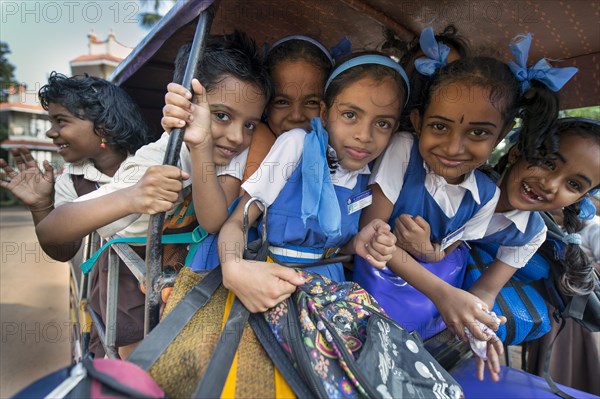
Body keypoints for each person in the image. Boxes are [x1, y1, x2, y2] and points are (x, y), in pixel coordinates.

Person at [36, 32, 271, 357]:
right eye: (222, 115)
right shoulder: (155, 161)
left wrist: (203, 144)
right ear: (184, 104)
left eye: (249, 125)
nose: (236, 136)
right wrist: (132, 197)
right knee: (140, 360)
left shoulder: (227, 152)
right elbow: (52, 229)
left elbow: (214, 219)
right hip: (129, 264)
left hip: (177, 263)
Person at [353, 32, 565, 381]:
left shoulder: (485, 196)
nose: (454, 147)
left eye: (478, 133)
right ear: (419, 122)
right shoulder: (405, 151)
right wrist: (444, 293)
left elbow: (443, 253)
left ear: (501, 136)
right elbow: (371, 233)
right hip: (367, 305)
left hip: (422, 323)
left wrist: (477, 327)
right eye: (440, 127)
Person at [217, 52, 410, 314]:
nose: (364, 136)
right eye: (350, 115)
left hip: (329, 289)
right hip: (271, 279)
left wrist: (357, 244)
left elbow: (329, 249)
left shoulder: (365, 172)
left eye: (383, 123)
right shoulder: (296, 145)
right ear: (324, 112)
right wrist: (233, 269)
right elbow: (236, 222)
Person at [0, 72, 155, 359]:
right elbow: (63, 249)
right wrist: (40, 206)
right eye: (51, 122)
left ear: (104, 126)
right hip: (113, 298)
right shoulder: (71, 179)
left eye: (61, 121)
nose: (51, 132)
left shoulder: (151, 160)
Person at [522, 118, 600, 395]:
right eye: (550, 163)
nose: (551, 185)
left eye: (574, 184)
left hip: (560, 314)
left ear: (583, 197)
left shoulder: (538, 232)